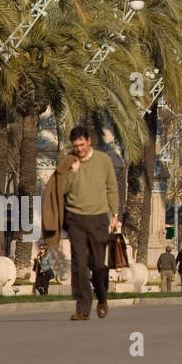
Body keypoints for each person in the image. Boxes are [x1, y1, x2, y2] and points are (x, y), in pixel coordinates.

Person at [51, 126, 119, 320]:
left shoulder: (103, 160)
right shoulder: (69, 162)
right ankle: (82, 308)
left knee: (98, 264)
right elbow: (60, 190)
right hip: (75, 219)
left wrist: (115, 214)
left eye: (82, 144)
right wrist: (73, 172)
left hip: (98, 218)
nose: (79, 149)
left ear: (89, 141)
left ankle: (103, 297)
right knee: (79, 264)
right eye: (75, 146)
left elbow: (112, 187)